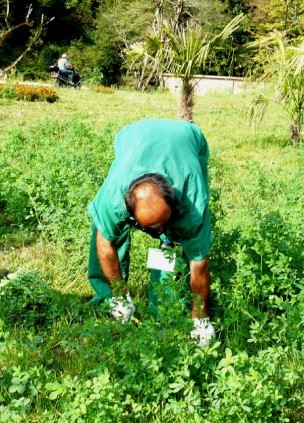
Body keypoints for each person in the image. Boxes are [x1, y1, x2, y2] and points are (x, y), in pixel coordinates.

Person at [87, 119, 215, 347]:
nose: (155, 232)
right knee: (106, 227)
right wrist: (119, 294)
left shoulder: (192, 202)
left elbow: (199, 262)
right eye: (148, 227)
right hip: (133, 135)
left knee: (174, 236)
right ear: (127, 208)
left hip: (187, 139)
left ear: (174, 202)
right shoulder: (113, 198)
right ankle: (110, 299)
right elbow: (104, 242)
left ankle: (164, 304)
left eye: (161, 223)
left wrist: (201, 320)